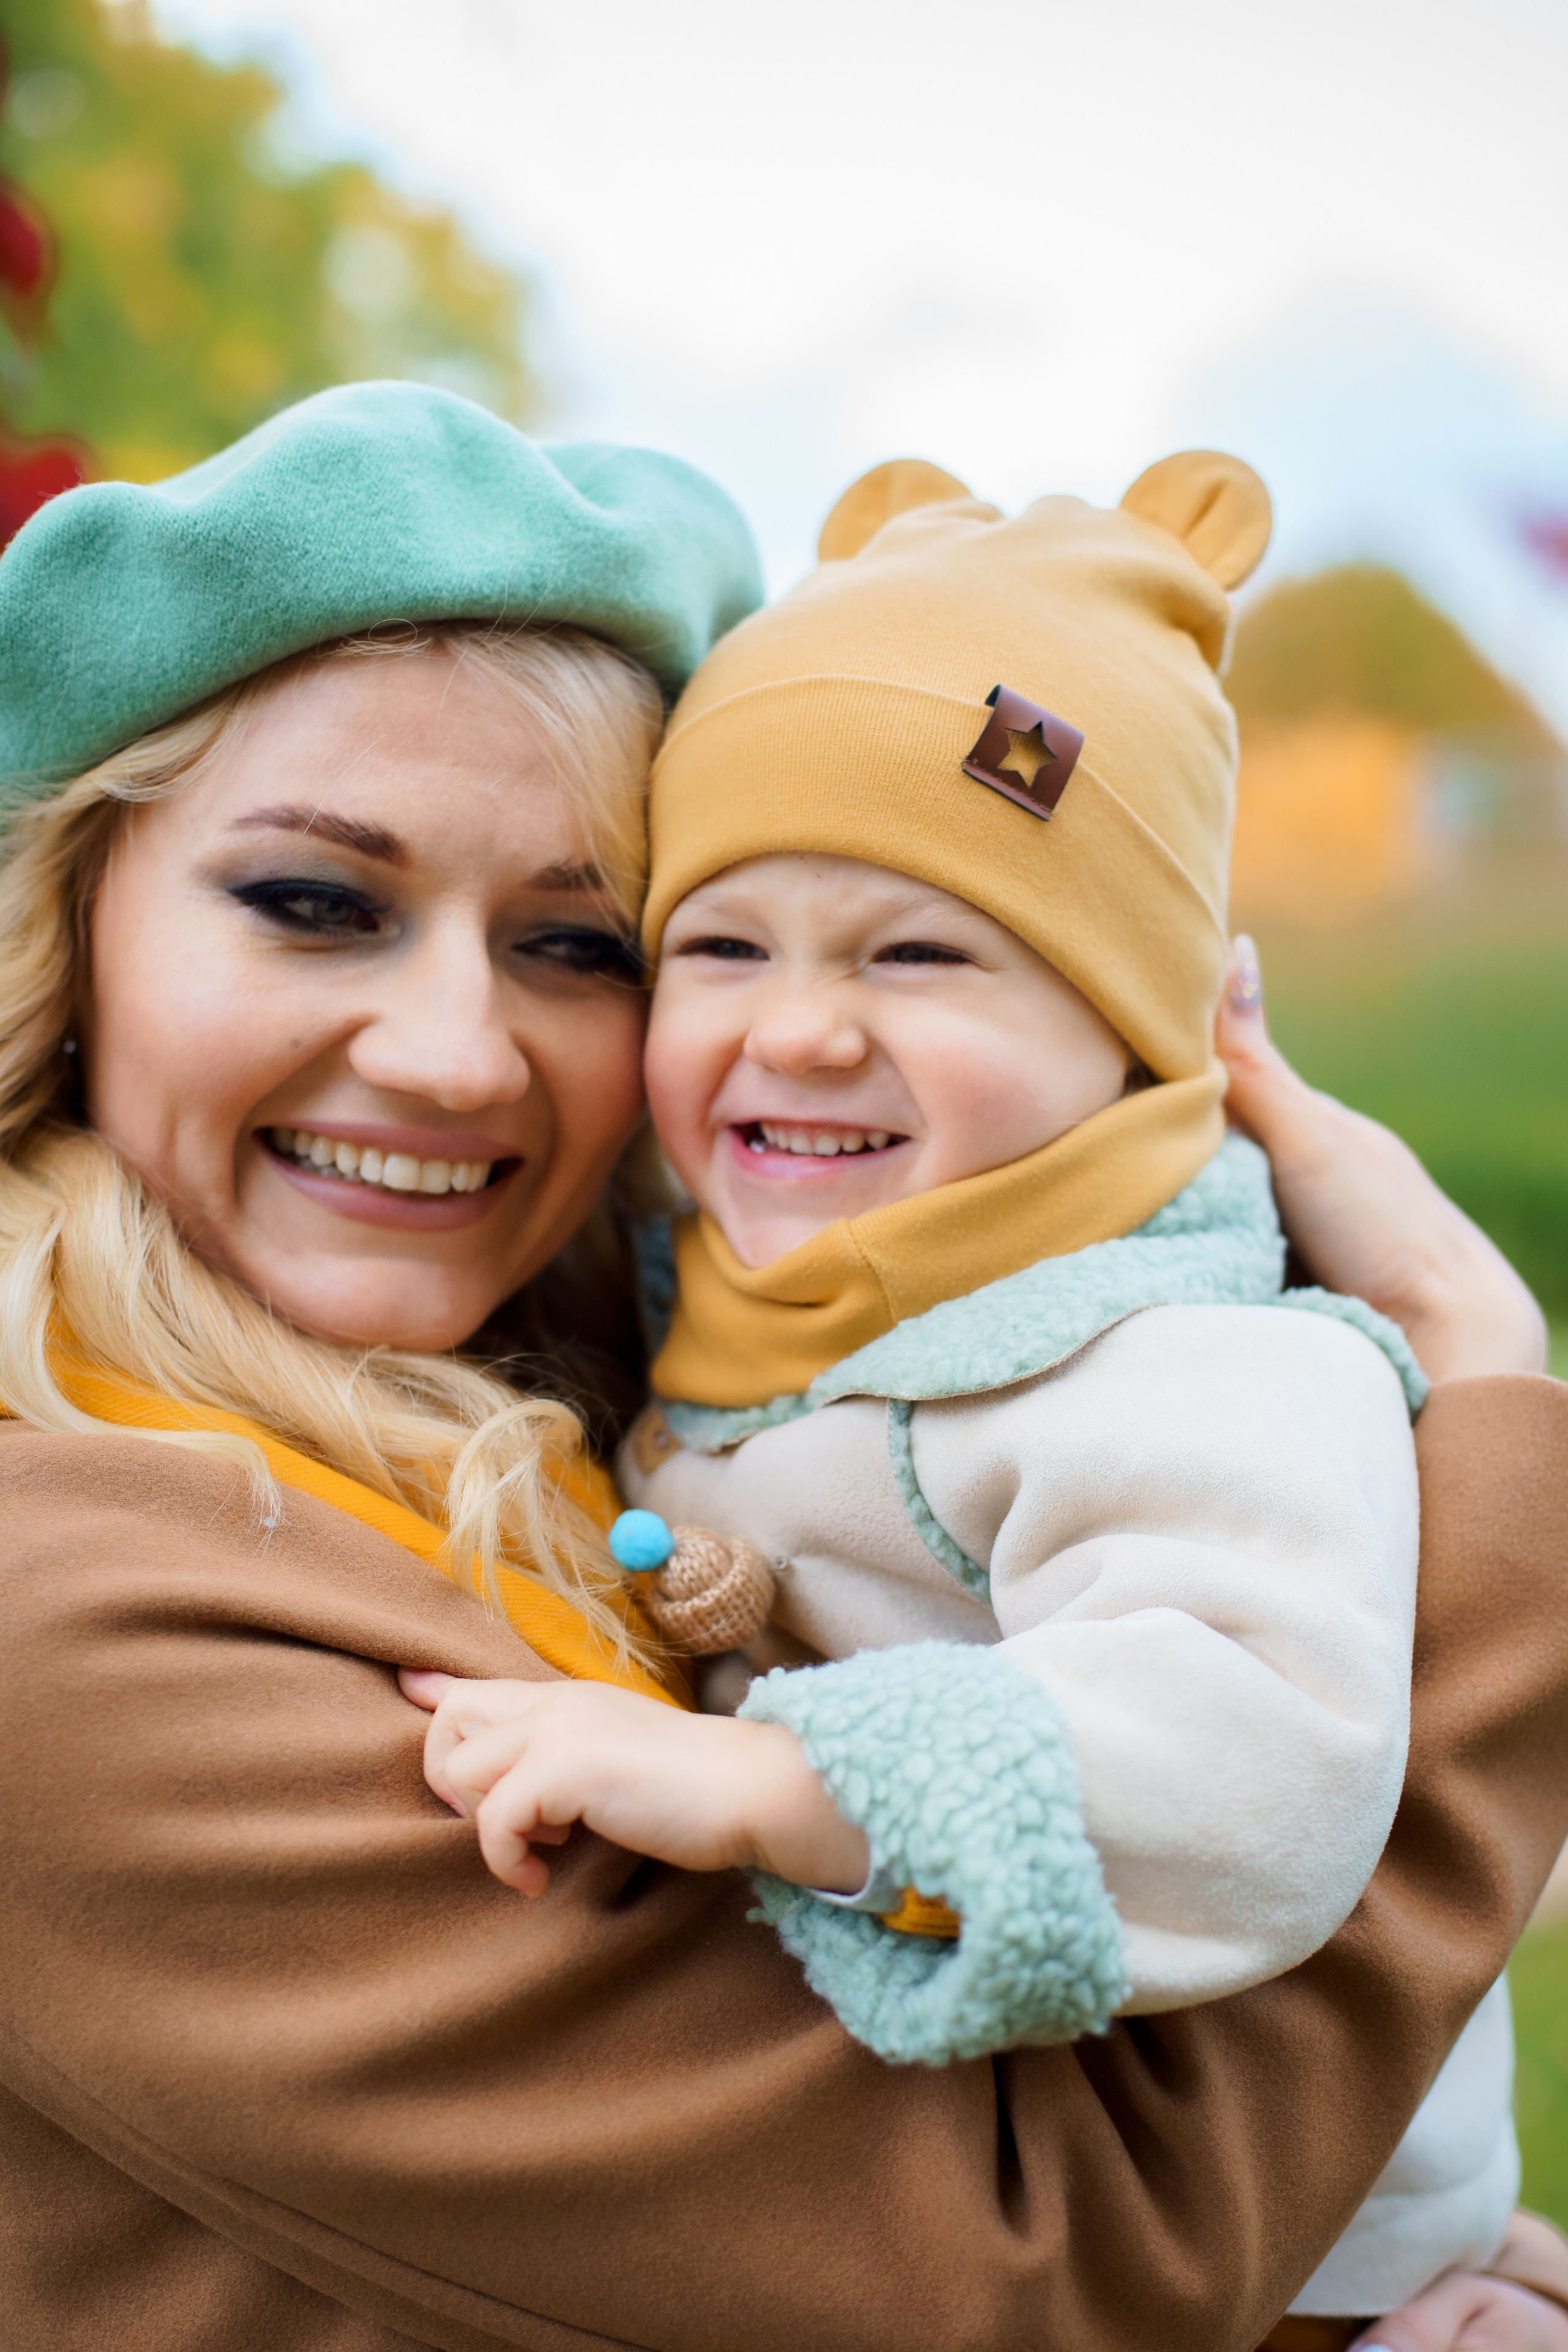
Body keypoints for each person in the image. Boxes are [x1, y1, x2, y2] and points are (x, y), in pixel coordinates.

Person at [0, 386, 1564, 2352]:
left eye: (583, 946)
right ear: (70, 923)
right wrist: (1496, 1475)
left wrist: (1415, 2236)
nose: (457, 1056)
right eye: (314, 904)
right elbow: (1048, 2266)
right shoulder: (61, 1598)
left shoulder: (604, 1371)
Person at [410, 451, 1513, 2330]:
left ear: (1155, 1036)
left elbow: (1251, 1760)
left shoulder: (1182, 1363)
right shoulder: (777, 1315)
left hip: (1274, 2274)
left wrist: (777, 1779)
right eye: (723, 946)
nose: (805, 1026)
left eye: (926, 953)